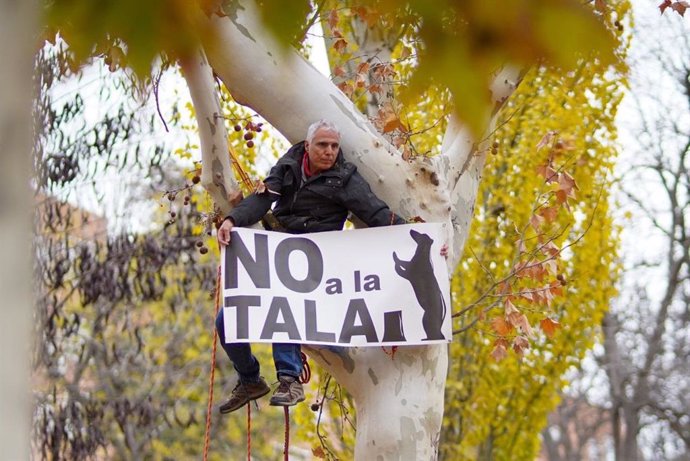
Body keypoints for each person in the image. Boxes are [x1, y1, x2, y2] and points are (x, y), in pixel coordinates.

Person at [215, 119, 407, 414]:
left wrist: (422, 240)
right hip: (277, 255)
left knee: (286, 303)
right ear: (308, 146)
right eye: (322, 145)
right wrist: (232, 219)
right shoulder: (289, 165)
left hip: (316, 270)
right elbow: (262, 200)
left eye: (334, 146)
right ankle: (250, 380)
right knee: (225, 321)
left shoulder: (345, 178)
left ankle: (289, 380)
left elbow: (378, 214)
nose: (329, 152)